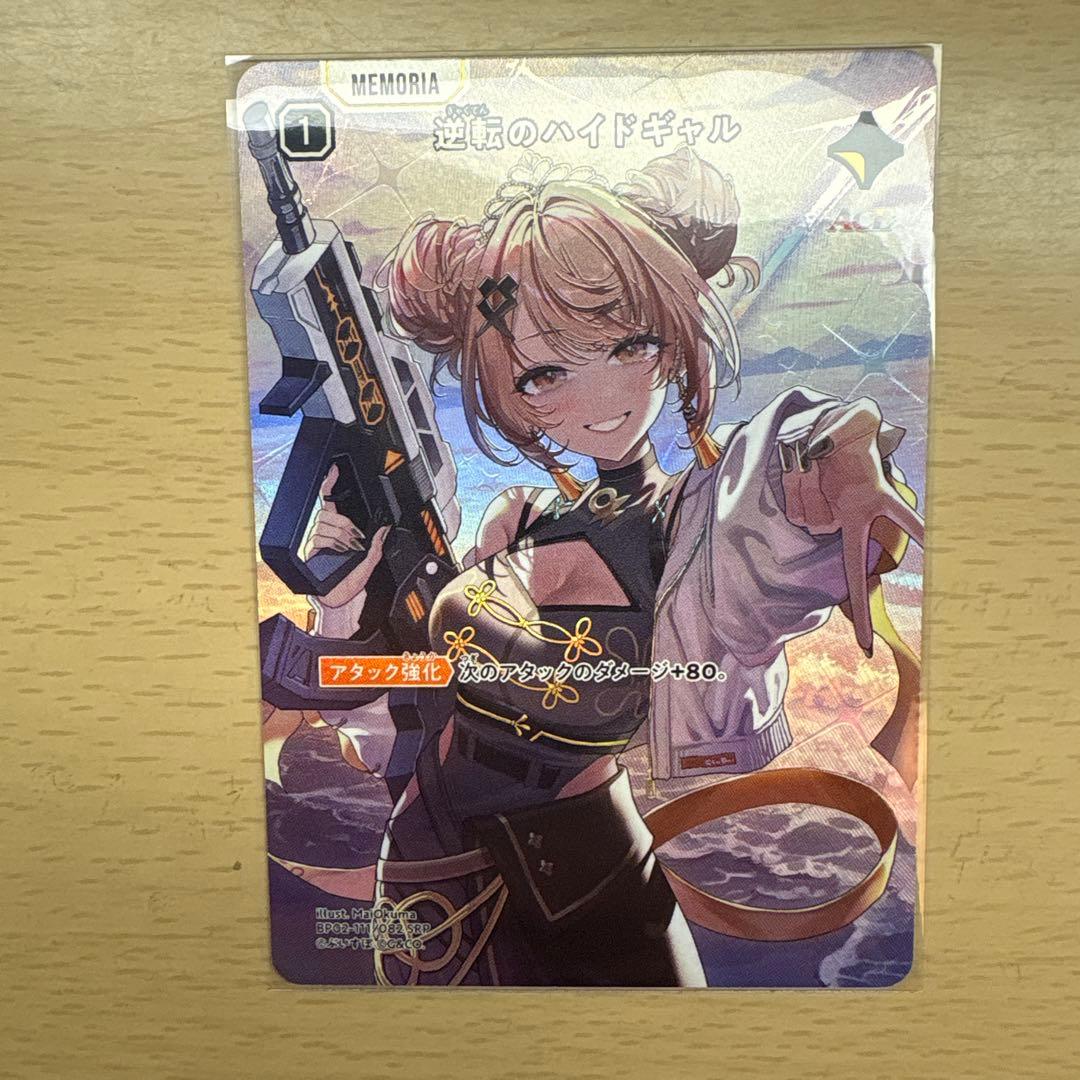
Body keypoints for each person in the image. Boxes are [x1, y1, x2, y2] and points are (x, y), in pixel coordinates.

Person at [298, 147, 924, 986]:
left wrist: (842, 459)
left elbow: (784, 481)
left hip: (591, 884)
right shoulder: (517, 525)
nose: (598, 397)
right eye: (544, 373)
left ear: (670, 342)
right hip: (426, 870)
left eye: (629, 345)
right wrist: (339, 611)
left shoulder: (696, 527)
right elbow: (410, 690)